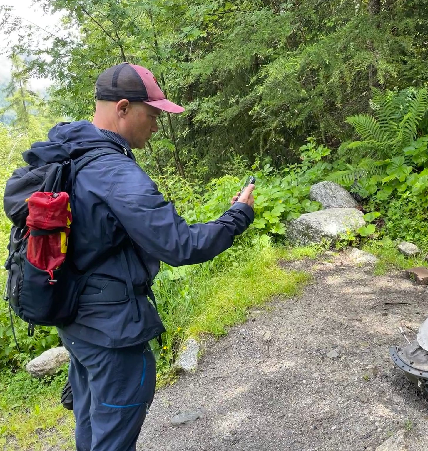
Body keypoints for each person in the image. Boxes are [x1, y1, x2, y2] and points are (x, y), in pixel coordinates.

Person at [22, 62, 255, 450]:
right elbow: (181, 245)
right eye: (153, 114)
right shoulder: (114, 172)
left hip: (76, 319)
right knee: (112, 438)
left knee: (92, 425)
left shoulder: (71, 154)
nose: (157, 125)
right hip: (111, 331)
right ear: (124, 108)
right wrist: (237, 216)